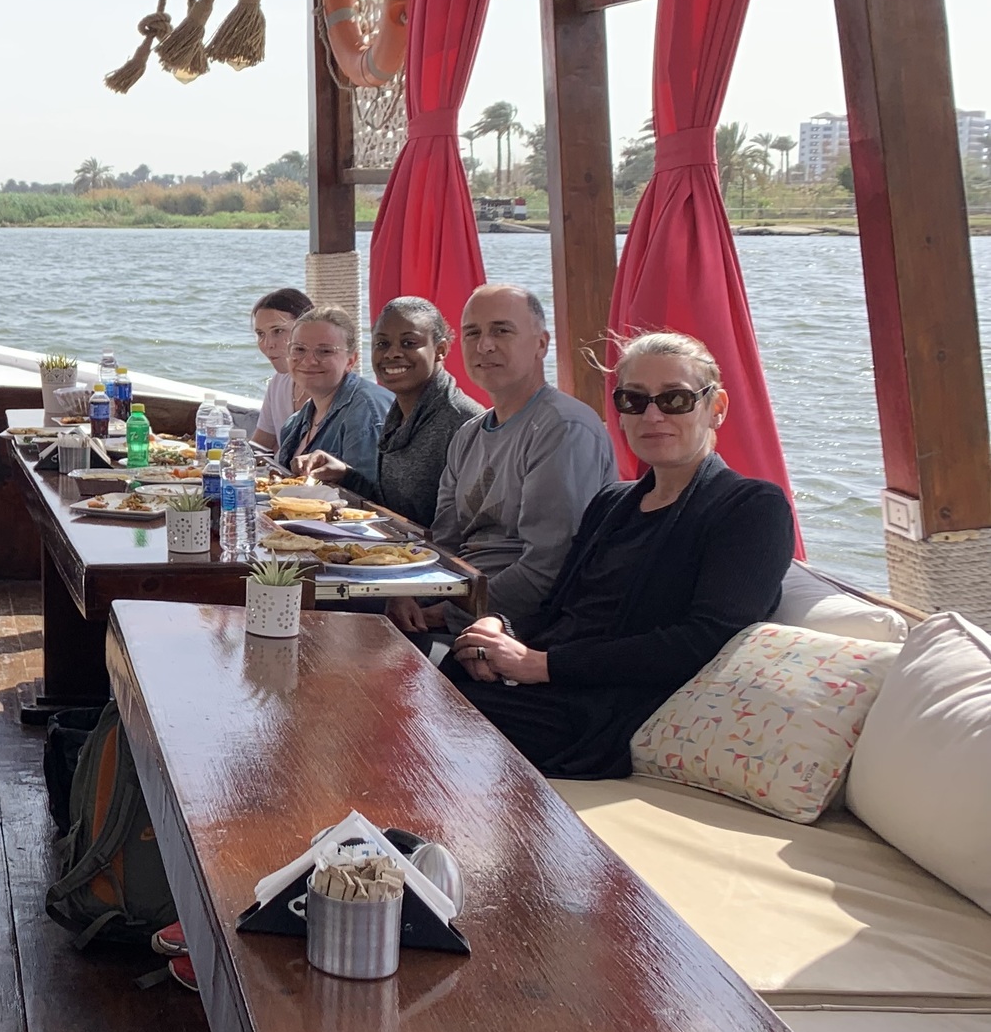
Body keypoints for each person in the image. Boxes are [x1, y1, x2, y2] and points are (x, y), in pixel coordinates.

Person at [446, 333, 793, 779]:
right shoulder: (612, 502)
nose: (653, 415)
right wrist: (500, 630)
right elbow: (561, 611)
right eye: (634, 400)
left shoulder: (750, 508)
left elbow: (705, 639)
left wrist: (543, 666)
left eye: (675, 399)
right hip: (548, 685)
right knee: (424, 680)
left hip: (606, 710)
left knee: (426, 720)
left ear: (717, 407)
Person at [392, 283, 616, 640]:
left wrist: (444, 613)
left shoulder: (562, 428)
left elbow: (549, 566)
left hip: (521, 627)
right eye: (473, 333)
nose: (485, 345)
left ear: (541, 344)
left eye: (501, 331)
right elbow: (447, 541)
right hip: (462, 602)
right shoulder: (468, 435)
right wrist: (409, 594)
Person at [298, 297, 480, 526]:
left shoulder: (462, 423)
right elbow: (393, 505)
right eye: (382, 344)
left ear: (440, 350)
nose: (392, 354)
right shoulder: (399, 415)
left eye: (409, 343)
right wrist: (346, 475)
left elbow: (470, 528)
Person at [274, 305, 391, 480]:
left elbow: (372, 498)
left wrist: (346, 476)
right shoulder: (295, 423)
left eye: (325, 351)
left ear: (351, 361)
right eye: (299, 349)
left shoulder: (366, 412)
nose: (309, 360)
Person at [251, 286, 311, 440]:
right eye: (261, 334)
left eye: (278, 331)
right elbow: (260, 446)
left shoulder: (331, 390)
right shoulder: (278, 384)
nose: (267, 344)